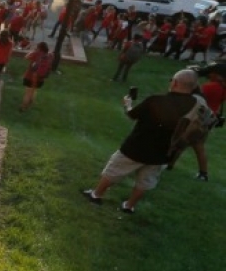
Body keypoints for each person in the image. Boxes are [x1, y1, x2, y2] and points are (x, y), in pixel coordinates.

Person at [82, 70, 200, 213]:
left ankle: (96, 195)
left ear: (174, 83)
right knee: (145, 181)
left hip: (137, 146)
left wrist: (128, 103)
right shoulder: (194, 104)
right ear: (193, 87)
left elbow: (132, 114)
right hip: (162, 151)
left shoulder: (155, 100)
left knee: (113, 170)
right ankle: (129, 206)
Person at [21, 42, 52, 112]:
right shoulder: (49, 55)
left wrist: (33, 50)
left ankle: (23, 107)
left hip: (30, 76)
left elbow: (26, 57)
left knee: (27, 92)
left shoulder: (36, 53)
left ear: (39, 48)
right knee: (34, 90)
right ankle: (31, 102)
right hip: (40, 78)